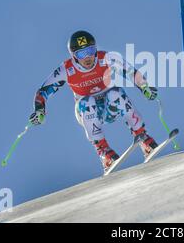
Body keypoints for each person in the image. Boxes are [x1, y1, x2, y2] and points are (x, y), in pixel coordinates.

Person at [29, 30, 159, 172]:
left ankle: (143, 138)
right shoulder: (66, 69)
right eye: (81, 54)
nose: (88, 57)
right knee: (87, 102)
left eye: (90, 50)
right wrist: (39, 110)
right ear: (74, 56)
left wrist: (145, 87)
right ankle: (104, 152)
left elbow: (130, 72)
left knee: (117, 93)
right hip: (87, 112)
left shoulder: (106, 58)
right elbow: (43, 91)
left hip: (110, 108)